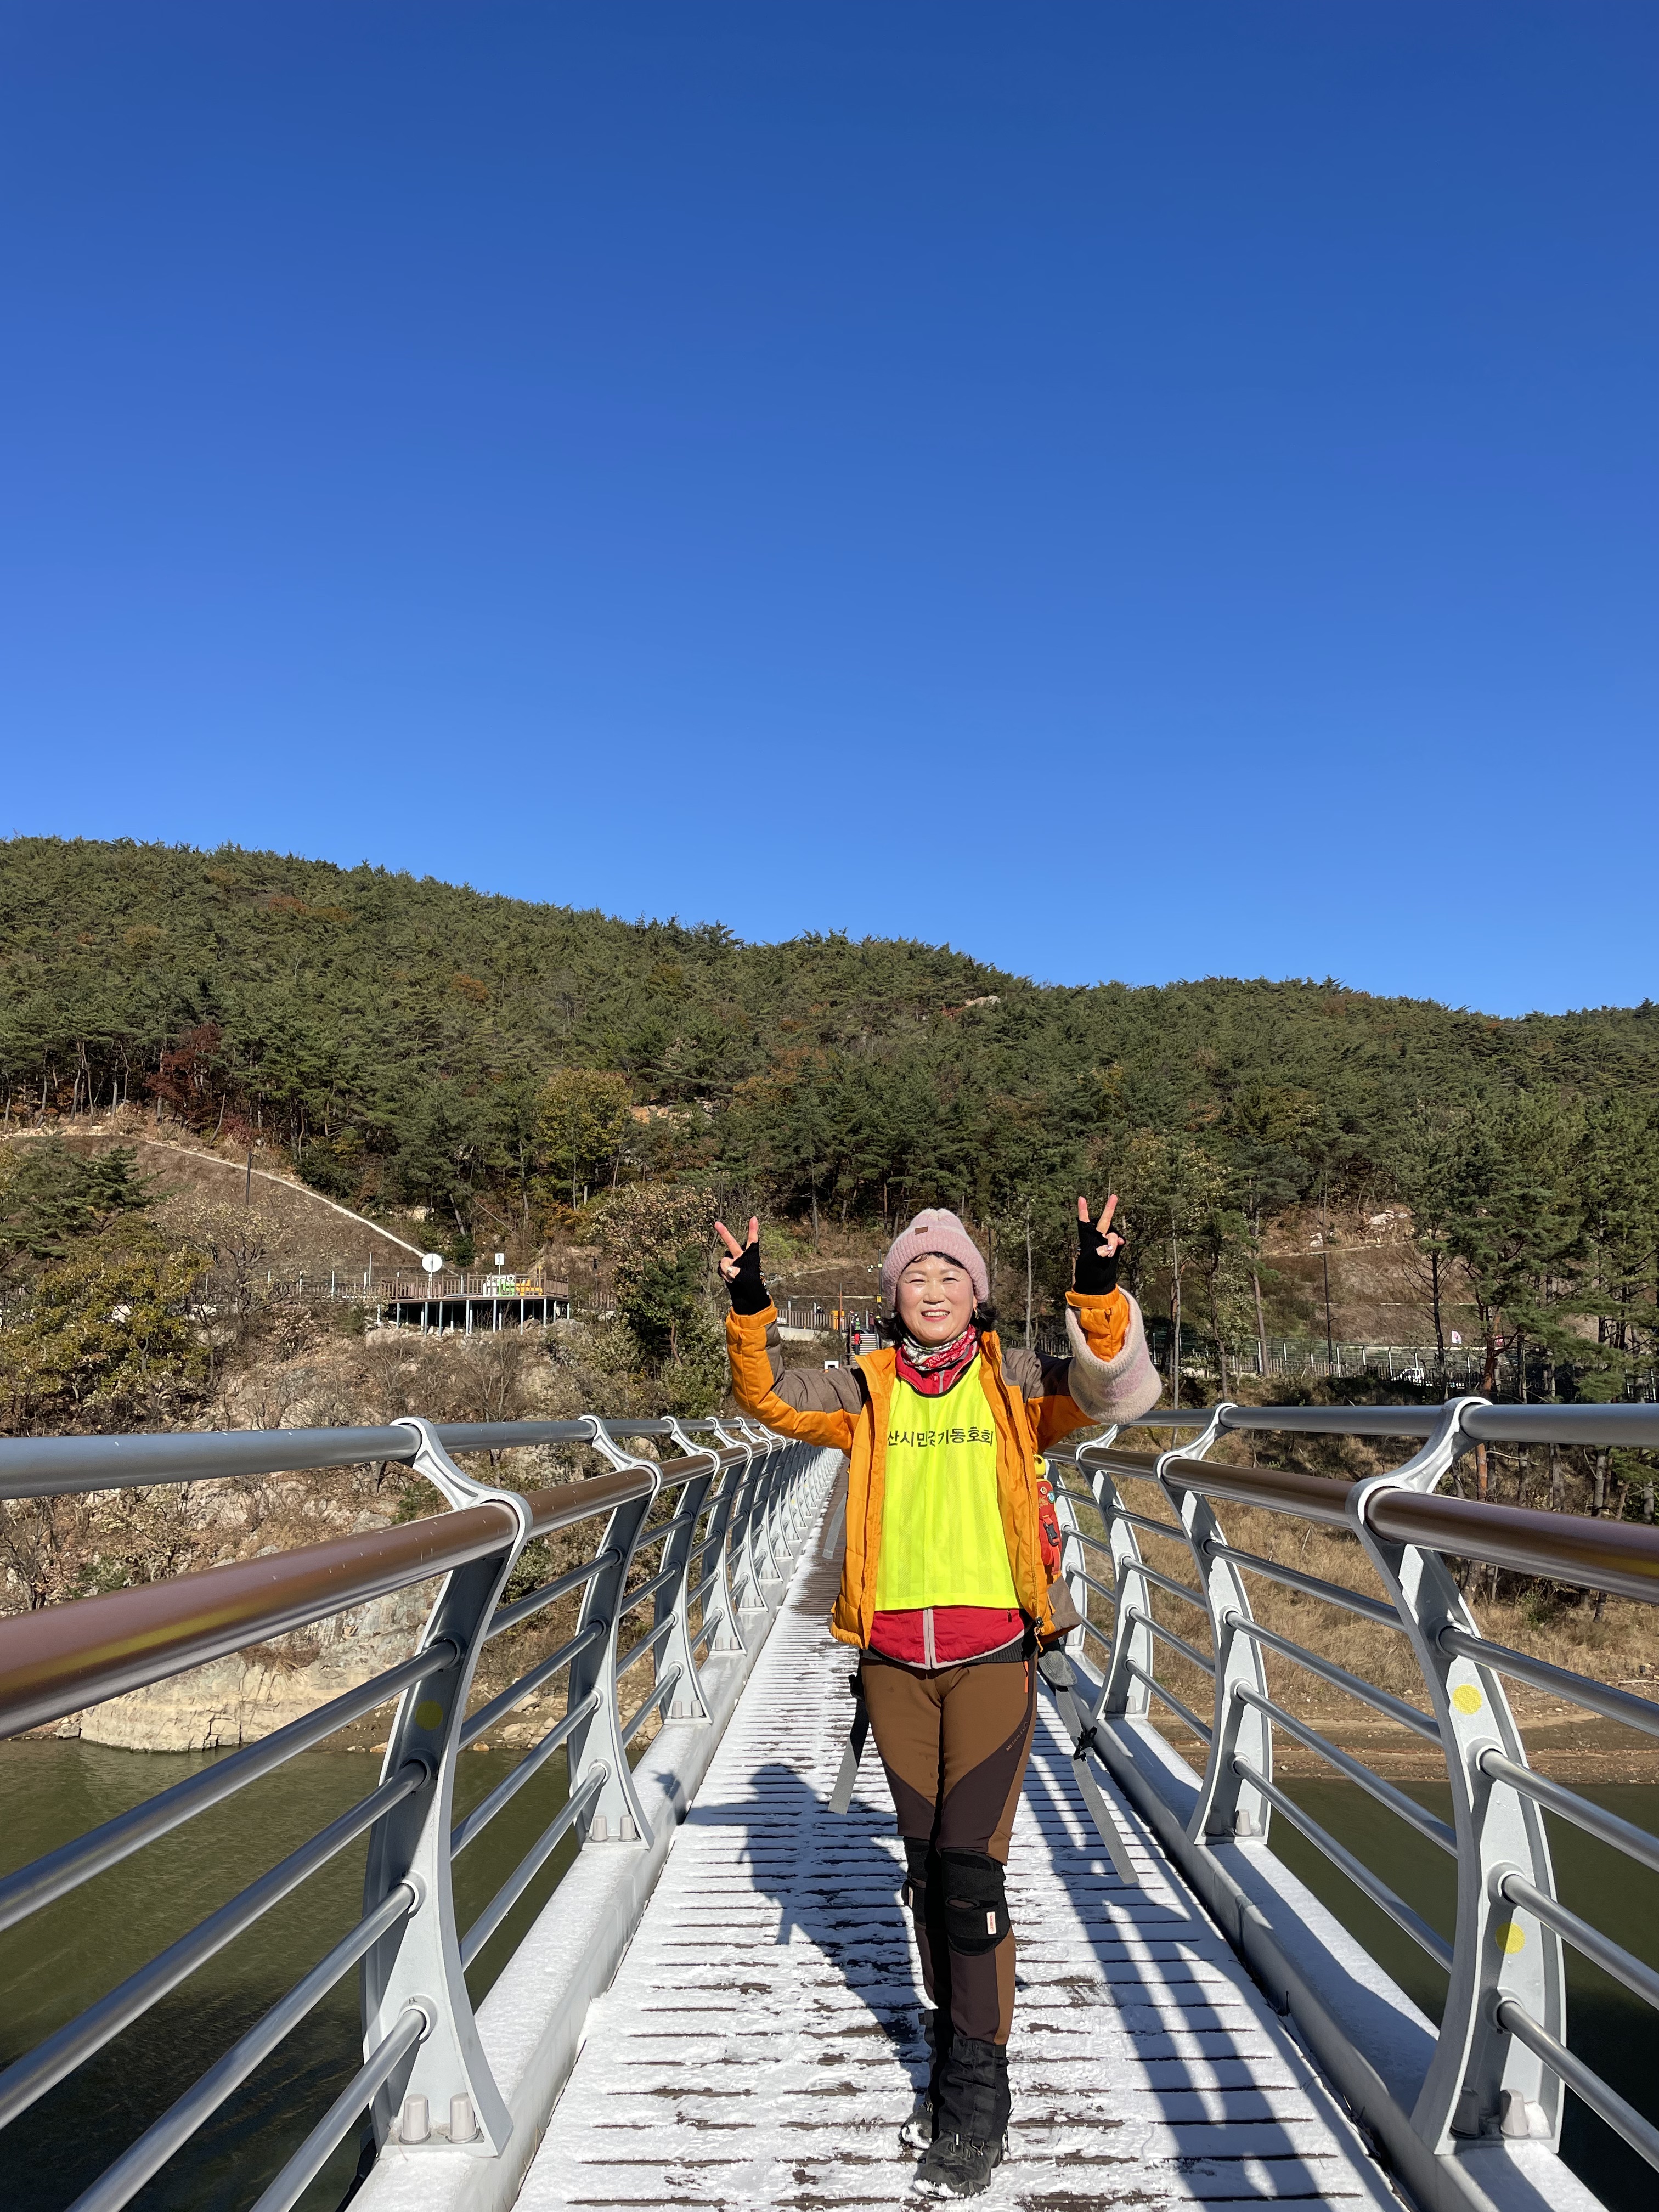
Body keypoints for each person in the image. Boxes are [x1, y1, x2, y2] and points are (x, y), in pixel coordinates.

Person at [716, 1198, 1161, 2199]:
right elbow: (767, 1399)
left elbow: (1112, 1391)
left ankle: (976, 2097)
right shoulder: (863, 1388)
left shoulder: (1017, 1384)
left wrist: (1096, 1289)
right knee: (925, 1875)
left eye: (950, 1274)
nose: (931, 1288)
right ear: (892, 1296)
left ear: (977, 1293)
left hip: (995, 1656)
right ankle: (952, 2048)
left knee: (970, 1879)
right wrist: (749, 1302)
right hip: (892, 1664)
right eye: (914, 1275)